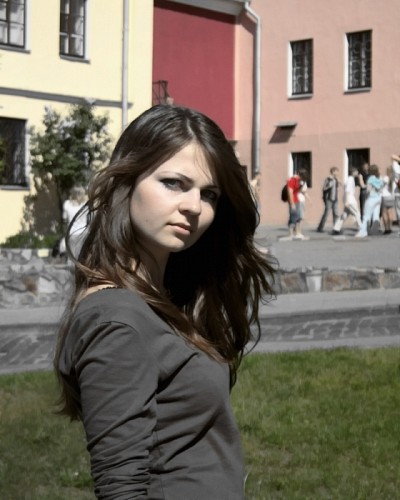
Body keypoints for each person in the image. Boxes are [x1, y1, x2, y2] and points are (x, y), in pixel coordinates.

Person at [53, 104, 277, 499]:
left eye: (209, 194)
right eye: (174, 183)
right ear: (127, 181)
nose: (194, 206)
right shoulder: (117, 321)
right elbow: (121, 491)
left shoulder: (165, 297)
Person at [280, 168, 309, 241]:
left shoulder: (299, 181)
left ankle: (298, 233)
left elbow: (298, 190)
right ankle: (290, 234)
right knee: (293, 217)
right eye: (303, 177)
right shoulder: (292, 180)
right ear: (300, 175)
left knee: (298, 216)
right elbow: (290, 192)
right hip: (293, 201)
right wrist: (292, 203)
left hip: (297, 200)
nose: (303, 179)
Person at [356, 164, 384, 238]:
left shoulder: (370, 179)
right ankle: (374, 231)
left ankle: (363, 232)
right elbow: (381, 188)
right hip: (378, 198)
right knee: (376, 215)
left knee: (366, 216)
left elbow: (368, 190)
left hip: (371, 198)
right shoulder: (380, 178)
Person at [59, 185, 88, 259]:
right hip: (84, 233)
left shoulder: (67, 204)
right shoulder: (85, 205)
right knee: (83, 256)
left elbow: (64, 219)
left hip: (72, 233)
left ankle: (71, 265)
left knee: (72, 256)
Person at [332, 167, 362, 235]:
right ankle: (361, 229)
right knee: (357, 213)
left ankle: (336, 228)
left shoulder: (350, 179)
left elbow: (345, 187)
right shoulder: (350, 179)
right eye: (356, 171)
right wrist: (347, 201)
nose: (357, 173)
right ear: (353, 172)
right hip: (350, 200)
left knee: (344, 215)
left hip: (348, 199)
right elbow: (347, 191)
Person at [316, 166, 340, 233]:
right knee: (326, 214)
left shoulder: (336, 179)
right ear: (333, 172)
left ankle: (336, 228)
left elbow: (337, 188)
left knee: (336, 214)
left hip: (335, 199)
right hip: (329, 199)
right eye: (337, 171)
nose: (338, 173)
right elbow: (324, 188)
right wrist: (329, 186)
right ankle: (320, 228)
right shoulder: (328, 179)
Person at [380, 166, 396, 234]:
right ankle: (390, 228)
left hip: (385, 196)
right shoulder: (394, 179)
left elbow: (381, 186)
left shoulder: (385, 178)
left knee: (384, 213)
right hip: (392, 197)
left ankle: (386, 229)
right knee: (390, 213)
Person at [391, 153, 400, 234]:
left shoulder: (396, 167)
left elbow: (392, 156)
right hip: (397, 191)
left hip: (397, 191)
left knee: (398, 210)